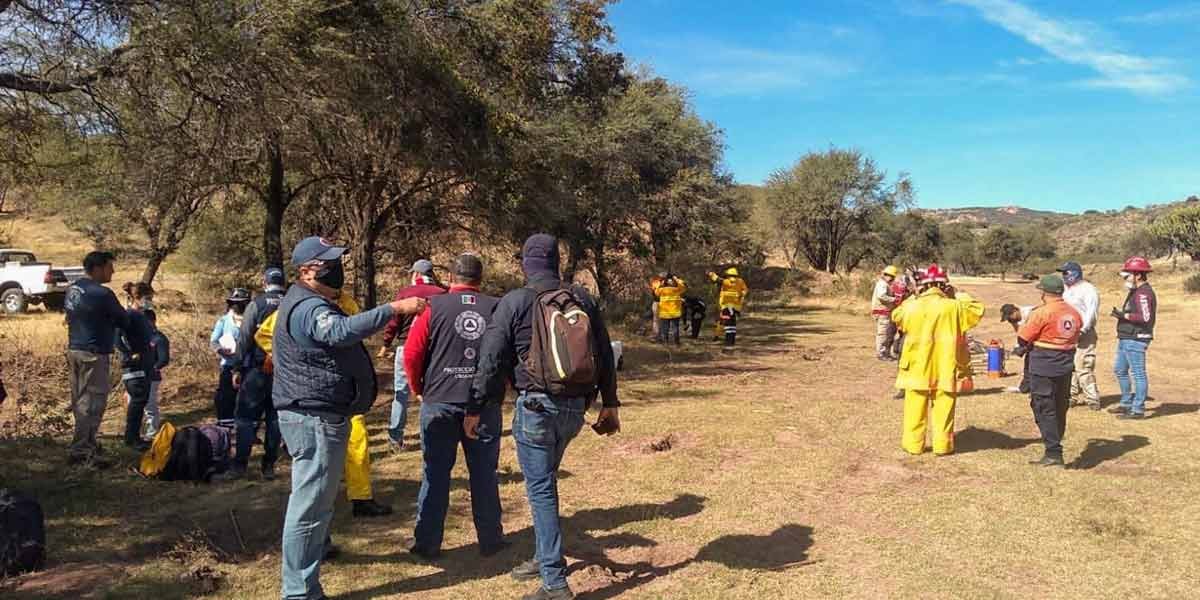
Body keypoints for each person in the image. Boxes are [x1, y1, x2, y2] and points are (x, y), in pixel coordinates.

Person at [272, 236, 428, 600]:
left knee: (314, 500)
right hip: (314, 417)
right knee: (309, 505)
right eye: (329, 262)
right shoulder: (310, 308)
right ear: (308, 270)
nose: (338, 267)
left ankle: (315, 553)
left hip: (316, 413)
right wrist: (394, 308)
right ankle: (298, 591)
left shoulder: (310, 300)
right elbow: (339, 332)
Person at [471, 234, 621, 600]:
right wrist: (610, 403)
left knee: (540, 491)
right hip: (574, 410)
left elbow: (490, 359)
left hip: (536, 409)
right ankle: (543, 557)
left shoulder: (516, 301)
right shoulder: (583, 298)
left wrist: (477, 406)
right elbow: (603, 350)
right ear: (556, 261)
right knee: (546, 483)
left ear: (526, 264)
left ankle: (554, 582)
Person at [403, 254, 506, 560]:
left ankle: (427, 543)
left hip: (439, 400)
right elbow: (507, 354)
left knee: (435, 474)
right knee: (485, 474)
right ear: (480, 279)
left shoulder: (433, 307)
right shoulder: (496, 308)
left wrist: (418, 388)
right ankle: (491, 540)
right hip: (483, 403)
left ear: (451, 278)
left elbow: (412, 354)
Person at [891, 264, 984, 456]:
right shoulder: (956, 306)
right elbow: (977, 309)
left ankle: (913, 445)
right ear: (945, 285)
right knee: (944, 407)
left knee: (914, 407)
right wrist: (957, 293)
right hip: (946, 366)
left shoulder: (912, 305)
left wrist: (914, 296)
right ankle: (943, 446)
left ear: (921, 285)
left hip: (917, 366)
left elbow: (896, 316)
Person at [64, 251, 130, 467]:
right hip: (93, 353)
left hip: (75, 349)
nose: (113, 271)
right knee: (93, 401)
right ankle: (83, 450)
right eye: (110, 266)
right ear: (98, 267)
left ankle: (86, 442)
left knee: (80, 400)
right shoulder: (102, 293)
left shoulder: (74, 288)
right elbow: (123, 319)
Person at [334, 291, 394, 518]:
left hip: (348, 391)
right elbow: (266, 334)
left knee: (357, 442)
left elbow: (356, 325)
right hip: (316, 398)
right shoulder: (301, 304)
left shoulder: (345, 301)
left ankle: (361, 497)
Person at [378, 259, 447, 452]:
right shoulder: (442, 294)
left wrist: (386, 344)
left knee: (401, 394)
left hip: (405, 346)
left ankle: (395, 438)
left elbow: (393, 322)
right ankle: (435, 434)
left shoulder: (405, 293)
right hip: (432, 349)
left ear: (416, 274)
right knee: (432, 392)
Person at [1013, 274, 1082, 467]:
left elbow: (1024, 338)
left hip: (1044, 365)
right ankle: (1055, 440)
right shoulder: (1073, 313)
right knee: (1060, 405)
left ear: (1044, 292)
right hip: (1066, 364)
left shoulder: (1042, 312)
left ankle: (1053, 452)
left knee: (1043, 406)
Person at [225, 268, 286, 480]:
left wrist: (236, 368)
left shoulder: (257, 304)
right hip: (285, 372)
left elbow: (244, 338)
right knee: (275, 418)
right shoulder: (293, 303)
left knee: (245, 418)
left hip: (257, 371)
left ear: (264, 282)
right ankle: (268, 466)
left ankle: (240, 465)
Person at [1109, 257, 1156, 420]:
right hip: (1126, 336)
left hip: (1136, 338)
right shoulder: (1135, 291)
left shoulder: (1143, 293)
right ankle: (1126, 403)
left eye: (1127, 275)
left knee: (1138, 373)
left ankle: (1138, 409)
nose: (1125, 279)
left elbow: (1145, 317)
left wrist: (1125, 315)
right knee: (1120, 370)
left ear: (1138, 275)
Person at [115, 281, 155, 451]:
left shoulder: (143, 315)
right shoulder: (130, 315)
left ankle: (135, 437)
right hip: (135, 366)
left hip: (145, 364)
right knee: (137, 401)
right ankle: (131, 438)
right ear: (137, 297)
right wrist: (129, 354)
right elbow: (116, 337)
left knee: (141, 400)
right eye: (148, 298)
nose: (150, 301)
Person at [1057, 261, 1101, 410]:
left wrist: (1083, 329)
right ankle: (1071, 396)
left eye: (1066, 273)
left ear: (1074, 273)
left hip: (1084, 333)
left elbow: (1091, 312)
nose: (1063, 276)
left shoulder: (1088, 289)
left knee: (1084, 366)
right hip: (1066, 333)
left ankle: (1092, 398)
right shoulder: (1065, 290)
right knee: (1070, 366)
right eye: (1062, 273)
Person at [211, 288, 251, 429]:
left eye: (241, 303)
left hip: (248, 365)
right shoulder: (223, 321)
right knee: (226, 397)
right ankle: (226, 427)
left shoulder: (252, 319)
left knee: (246, 398)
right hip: (228, 365)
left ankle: (246, 429)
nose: (237, 305)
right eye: (234, 302)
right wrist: (221, 350)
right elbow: (214, 341)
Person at [144, 309, 170, 441]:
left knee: (150, 405)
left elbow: (164, 359)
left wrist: (153, 368)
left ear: (152, 321)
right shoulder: (140, 336)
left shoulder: (159, 338)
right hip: (137, 376)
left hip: (152, 378)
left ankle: (152, 432)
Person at [707, 267, 749, 349]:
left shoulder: (725, 281)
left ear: (728, 274)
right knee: (732, 323)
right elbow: (745, 291)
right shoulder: (740, 281)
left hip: (726, 305)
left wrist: (710, 273)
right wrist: (740, 295)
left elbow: (716, 279)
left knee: (727, 323)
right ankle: (731, 340)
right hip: (736, 307)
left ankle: (728, 341)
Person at [1000, 303, 1036, 394]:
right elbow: (1019, 333)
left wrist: (1026, 346)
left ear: (1015, 311)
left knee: (1034, 363)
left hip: (1038, 340)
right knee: (1028, 364)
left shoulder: (1030, 313)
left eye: (1010, 317)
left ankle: (1029, 388)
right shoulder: (1014, 319)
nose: (1010, 320)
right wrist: (1019, 346)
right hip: (1031, 340)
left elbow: (1034, 332)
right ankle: (1025, 388)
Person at [871, 266, 899, 361]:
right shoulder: (882, 284)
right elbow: (881, 296)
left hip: (885, 312)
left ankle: (886, 353)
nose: (892, 279)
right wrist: (894, 299)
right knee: (883, 333)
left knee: (888, 333)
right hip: (882, 312)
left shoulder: (885, 284)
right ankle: (881, 353)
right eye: (892, 277)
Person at [653, 274, 686, 345]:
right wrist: (676, 279)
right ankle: (677, 343)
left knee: (666, 329)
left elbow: (656, 292)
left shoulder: (662, 290)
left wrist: (660, 282)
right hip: (675, 313)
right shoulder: (677, 290)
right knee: (675, 328)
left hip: (665, 314)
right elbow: (683, 286)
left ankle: (666, 342)